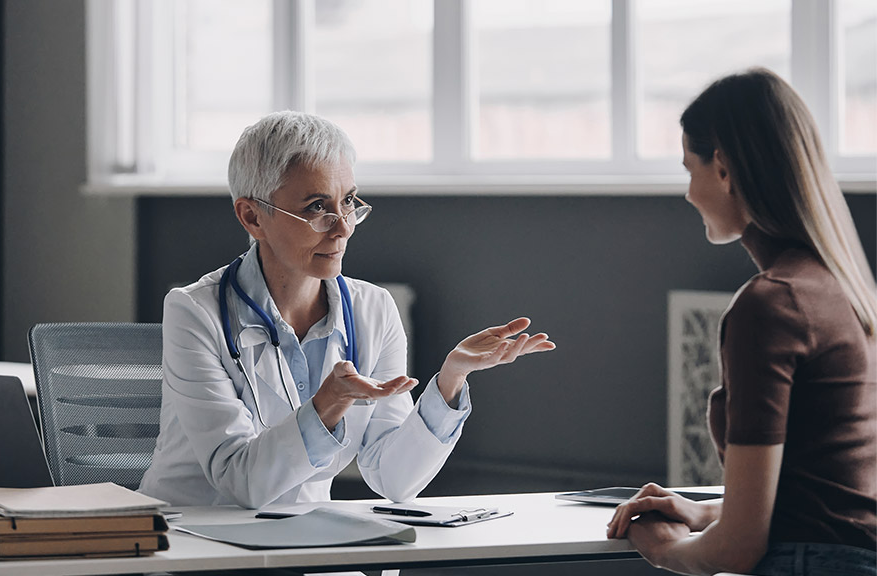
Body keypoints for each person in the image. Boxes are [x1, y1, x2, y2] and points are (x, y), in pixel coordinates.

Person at [139, 111, 555, 509]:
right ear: (252, 217)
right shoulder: (194, 312)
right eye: (317, 207)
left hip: (302, 538)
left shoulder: (373, 310)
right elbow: (240, 481)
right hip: (191, 536)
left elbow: (393, 479)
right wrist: (327, 405)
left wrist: (450, 380)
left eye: (349, 201)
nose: (342, 227)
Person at [606, 68, 877, 575]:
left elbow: (737, 550)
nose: (688, 193)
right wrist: (705, 511)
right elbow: (826, 494)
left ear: (724, 167)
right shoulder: (842, 289)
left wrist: (662, 548)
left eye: (691, 168)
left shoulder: (771, 305)